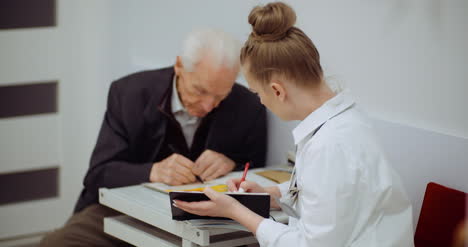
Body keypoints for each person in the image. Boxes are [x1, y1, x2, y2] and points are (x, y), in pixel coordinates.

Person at [173, 2, 414, 246]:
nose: (261, 102)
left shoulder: (330, 145)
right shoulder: (343, 121)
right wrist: (274, 195)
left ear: (277, 91)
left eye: (258, 93)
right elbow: (333, 195)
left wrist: (236, 211)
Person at [40, 29, 267, 246]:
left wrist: (232, 164)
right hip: (122, 209)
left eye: (220, 96)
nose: (208, 105)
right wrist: (154, 171)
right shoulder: (129, 94)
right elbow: (98, 174)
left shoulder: (248, 106)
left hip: (206, 219)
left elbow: (257, 173)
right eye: (200, 91)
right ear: (179, 66)